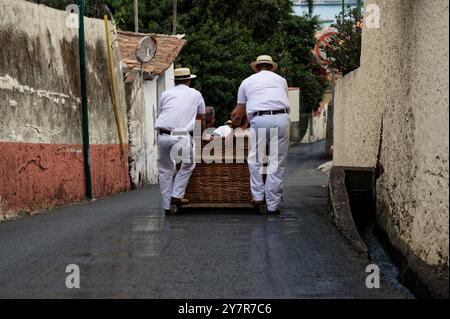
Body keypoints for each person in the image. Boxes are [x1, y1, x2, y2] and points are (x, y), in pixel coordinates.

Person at [234, 55, 290, 214]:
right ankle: (272, 206)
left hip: (260, 119)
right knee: (276, 162)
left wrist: (235, 124)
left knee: (255, 159)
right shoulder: (281, 80)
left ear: (257, 67)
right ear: (271, 67)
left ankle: (258, 197)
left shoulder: (246, 81)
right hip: (281, 118)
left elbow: (239, 110)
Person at [155, 67, 206, 215]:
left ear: (175, 81)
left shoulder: (165, 94)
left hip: (163, 135)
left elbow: (161, 113)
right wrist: (200, 134)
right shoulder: (196, 94)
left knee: (165, 170)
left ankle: (166, 207)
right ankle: (176, 195)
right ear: (189, 80)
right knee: (189, 164)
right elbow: (201, 116)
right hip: (182, 136)